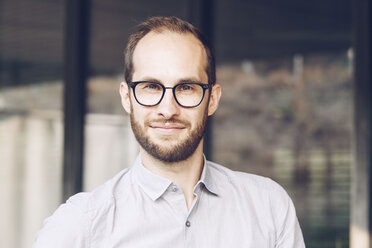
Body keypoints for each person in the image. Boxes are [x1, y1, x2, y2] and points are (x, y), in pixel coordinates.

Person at [33, 16, 305, 247]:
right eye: (151, 86)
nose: (167, 109)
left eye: (186, 87)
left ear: (212, 99)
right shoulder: (82, 224)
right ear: (127, 97)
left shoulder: (268, 206)